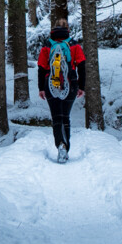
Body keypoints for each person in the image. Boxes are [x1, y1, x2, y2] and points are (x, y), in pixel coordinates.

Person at [37, 19, 85, 163]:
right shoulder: (74, 45)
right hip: (70, 84)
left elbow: (41, 68)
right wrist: (81, 86)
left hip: (50, 84)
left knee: (56, 118)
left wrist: (41, 88)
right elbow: (82, 66)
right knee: (65, 118)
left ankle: (60, 144)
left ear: (53, 29)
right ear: (67, 29)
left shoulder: (47, 46)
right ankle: (65, 147)